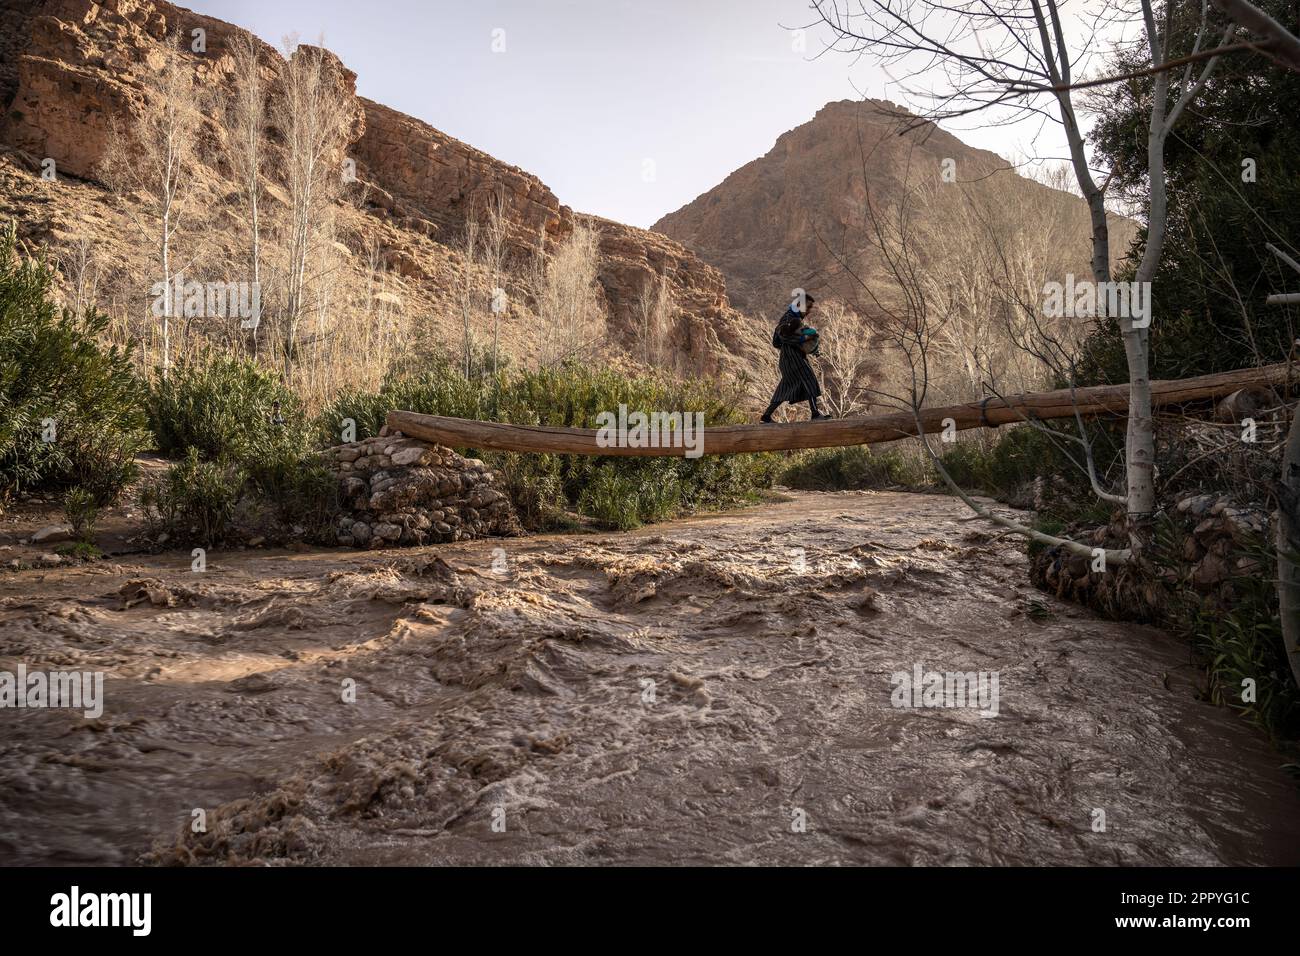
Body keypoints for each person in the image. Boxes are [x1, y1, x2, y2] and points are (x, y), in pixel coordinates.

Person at [760, 293, 829, 423]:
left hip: (789, 357)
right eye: (807, 307)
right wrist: (805, 338)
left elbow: (777, 341)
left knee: (787, 386)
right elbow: (783, 337)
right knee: (809, 379)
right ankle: (815, 414)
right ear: (798, 305)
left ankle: (766, 416)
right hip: (793, 357)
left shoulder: (790, 317)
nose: (808, 311)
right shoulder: (790, 318)